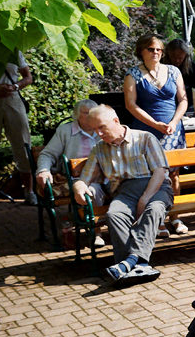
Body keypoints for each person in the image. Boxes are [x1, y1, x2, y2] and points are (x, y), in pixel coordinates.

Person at [73, 105, 172, 284]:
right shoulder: (99, 149)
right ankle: (137, 265)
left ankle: (128, 264)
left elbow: (160, 171)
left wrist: (145, 197)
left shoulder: (144, 138)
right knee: (114, 214)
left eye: (101, 127)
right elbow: (84, 179)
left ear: (116, 121)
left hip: (155, 186)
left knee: (154, 209)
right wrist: (78, 187)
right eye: (95, 130)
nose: (99, 134)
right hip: (124, 192)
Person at [123, 33, 188, 235]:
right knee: (152, 176)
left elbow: (183, 100)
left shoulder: (174, 71)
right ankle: (155, 219)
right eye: (151, 49)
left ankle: (175, 216)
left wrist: (173, 122)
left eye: (159, 49)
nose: (156, 53)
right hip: (146, 131)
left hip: (172, 131)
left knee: (174, 175)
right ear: (141, 51)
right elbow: (130, 105)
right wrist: (154, 124)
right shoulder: (132, 74)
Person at [35, 99, 102, 203]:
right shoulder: (65, 131)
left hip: (103, 176)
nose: (91, 116)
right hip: (76, 179)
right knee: (90, 192)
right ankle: (88, 217)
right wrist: (43, 170)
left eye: (94, 113)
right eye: (86, 113)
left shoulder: (103, 130)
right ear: (76, 115)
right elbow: (48, 154)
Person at [0, 50, 33, 204]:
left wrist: (15, 86)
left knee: (24, 146)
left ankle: (30, 192)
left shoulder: (13, 50)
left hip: (13, 100)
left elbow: (28, 77)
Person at [166, 38, 195, 105]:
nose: (177, 61)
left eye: (180, 58)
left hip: (188, 105)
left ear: (185, 56)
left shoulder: (192, 68)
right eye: (173, 57)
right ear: (168, 54)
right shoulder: (161, 65)